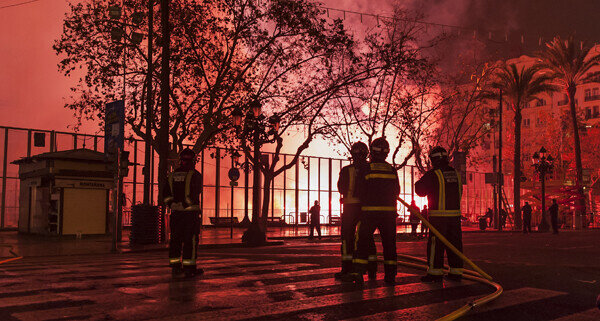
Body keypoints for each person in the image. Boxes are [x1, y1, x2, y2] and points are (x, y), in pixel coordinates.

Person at [344, 137, 400, 285]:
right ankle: (390, 276)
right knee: (389, 245)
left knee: (362, 242)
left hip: (369, 213)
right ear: (387, 153)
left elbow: (360, 190)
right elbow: (397, 191)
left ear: (372, 152)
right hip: (388, 215)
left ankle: (358, 272)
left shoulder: (366, 169)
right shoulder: (392, 169)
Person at [415, 146, 463, 283]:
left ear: (433, 160)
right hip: (455, 217)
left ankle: (435, 273)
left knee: (436, 244)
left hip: (438, 218)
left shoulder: (433, 174)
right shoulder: (456, 174)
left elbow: (419, 190)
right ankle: (456, 272)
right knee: (455, 244)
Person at [335, 142, 377, 280]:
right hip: (366, 208)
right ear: (366, 154)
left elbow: (341, 188)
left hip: (349, 209)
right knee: (366, 237)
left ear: (352, 154)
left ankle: (347, 269)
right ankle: (371, 269)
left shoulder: (346, 170)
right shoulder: (371, 168)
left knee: (347, 238)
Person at [163, 148, 203, 278]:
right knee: (190, 240)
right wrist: (185, 204)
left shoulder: (172, 175)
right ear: (193, 160)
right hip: (190, 215)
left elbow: (166, 193)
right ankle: (189, 268)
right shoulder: (195, 175)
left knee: (175, 239)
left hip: (175, 214)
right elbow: (195, 192)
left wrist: (172, 204)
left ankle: (175, 266)